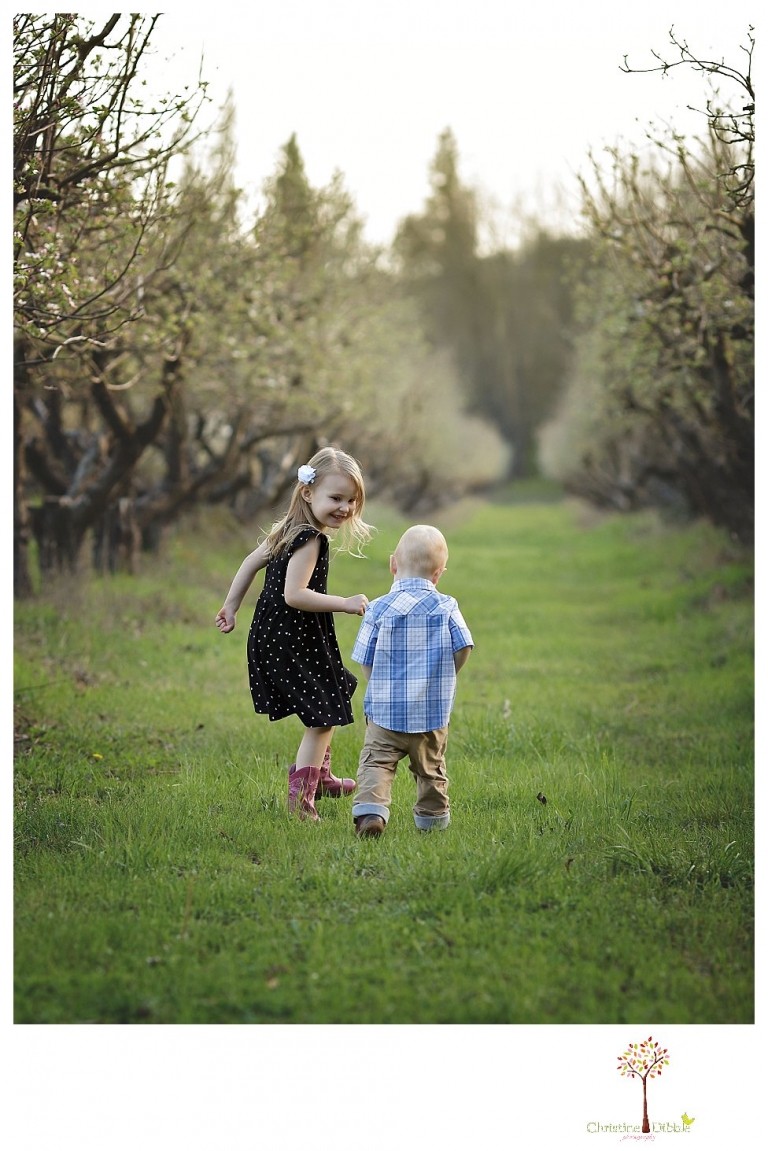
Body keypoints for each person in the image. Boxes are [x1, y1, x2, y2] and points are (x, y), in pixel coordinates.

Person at [215, 446, 373, 821]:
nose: (345, 508)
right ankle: (302, 801)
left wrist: (231, 605)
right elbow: (295, 594)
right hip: (292, 638)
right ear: (308, 492)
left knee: (335, 691)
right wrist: (345, 602)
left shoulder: (286, 529)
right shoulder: (310, 539)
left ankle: (322, 777)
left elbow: (249, 562)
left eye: (351, 500)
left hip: (278, 635)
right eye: (336, 498)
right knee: (322, 717)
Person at [350, 524, 473, 837]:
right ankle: (432, 822)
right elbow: (464, 646)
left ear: (393, 563)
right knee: (430, 769)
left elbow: (365, 657)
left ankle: (371, 815)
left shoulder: (377, 608)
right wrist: (445, 674)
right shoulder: (447, 606)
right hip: (431, 716)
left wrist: (378, 683)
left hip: (384, 712)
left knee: (376, 763)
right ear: (438, 574)